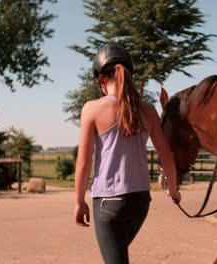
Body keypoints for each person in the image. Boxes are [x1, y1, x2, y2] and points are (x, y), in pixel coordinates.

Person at [74, 44, 181, 264]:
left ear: (101, 79)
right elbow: (166, 155)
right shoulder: (148, 110)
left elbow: (83, 163)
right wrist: (173, 189)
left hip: (108, 202)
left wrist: (79, 201)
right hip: (141, 202)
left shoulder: (92, 109)